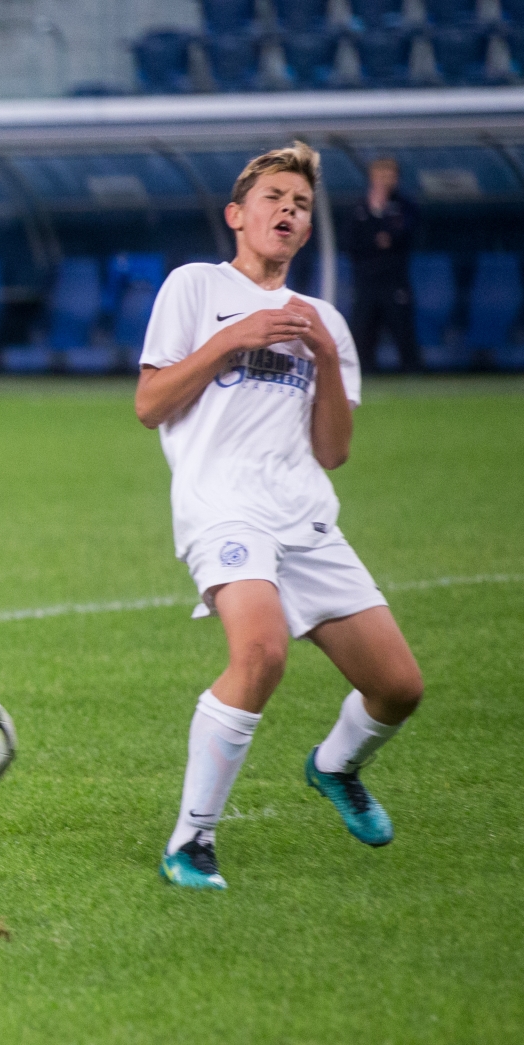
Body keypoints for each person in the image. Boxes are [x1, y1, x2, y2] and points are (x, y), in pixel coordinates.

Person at [134, 142, 424, 892]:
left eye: (299, 203)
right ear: (237, 215)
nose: (288, 210)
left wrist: (325, 355)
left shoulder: (322, 319)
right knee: (260, 653)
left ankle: (335, 765)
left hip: (303, 515)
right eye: (273, 198)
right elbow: (150, 404)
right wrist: (233, 337)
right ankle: (190, 842)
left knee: (398, 687)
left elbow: (332, 451)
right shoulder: (195, 288)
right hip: (222, 505)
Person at [344, 157, 420, 373]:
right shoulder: (359, 207)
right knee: (364, 333)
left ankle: (413, 374)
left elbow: (403, 235)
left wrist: (381, 221)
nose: (385, 181)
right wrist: (377, 231)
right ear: (371, 178)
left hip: (395, 281)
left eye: (389, 176)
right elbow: (351, 243)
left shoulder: (405, 206)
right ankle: (363, 376)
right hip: (366, 281)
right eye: (380, 176)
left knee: (403, 332)